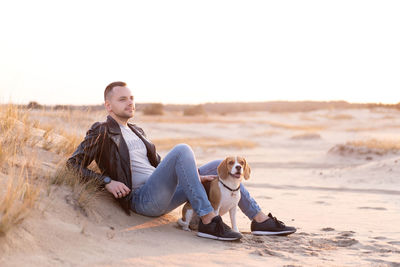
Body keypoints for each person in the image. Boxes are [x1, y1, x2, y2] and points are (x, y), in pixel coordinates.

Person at [67, 81, 296, 241]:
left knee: (218, 165)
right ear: (108, 105)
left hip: (163, 194)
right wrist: (107, 180)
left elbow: (158, 166)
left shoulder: (137, 130)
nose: (130, 103)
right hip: (142, 198)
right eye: (122, 99)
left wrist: (193, 177)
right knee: (182, 149)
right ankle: (209, 220)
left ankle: (259, 219)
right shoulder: (101, 131)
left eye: (132, 98)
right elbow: (73, 164)